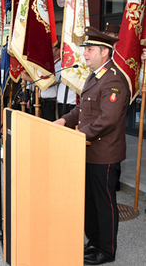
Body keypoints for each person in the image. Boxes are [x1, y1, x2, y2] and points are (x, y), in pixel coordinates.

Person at [54, 27, 129, 265]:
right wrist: (65, 120)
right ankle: (94, 241)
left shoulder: (114, 80)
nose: (85, 53)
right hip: (85, 150)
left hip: (104, 154)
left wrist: (77, 136)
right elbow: (83, 110)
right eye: (85, 48)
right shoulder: (94, 75)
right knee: (89, 201)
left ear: (105, 53)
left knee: (104, 203)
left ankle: (106, 251)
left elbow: (106, 120)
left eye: (90, 49)